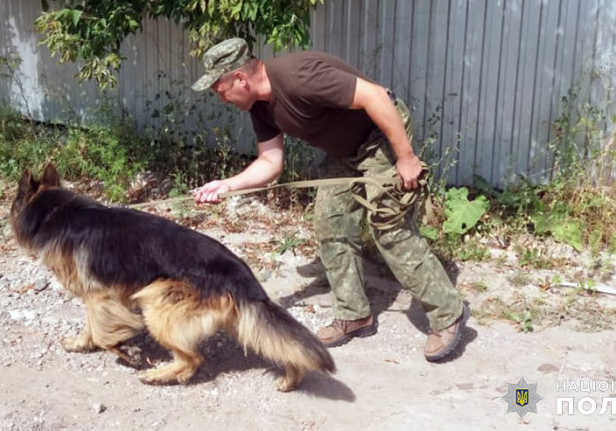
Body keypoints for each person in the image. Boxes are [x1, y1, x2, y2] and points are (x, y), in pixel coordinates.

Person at [191, 37, 469, 362]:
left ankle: (449, 312)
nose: (222, 100)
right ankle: (354, 314)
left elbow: (376, 96)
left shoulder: (298, 77)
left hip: (379, 135)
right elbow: (271, 163)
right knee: (330, 223)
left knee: (389, 228)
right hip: (345, 150)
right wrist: (227, 185)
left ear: (240, 78)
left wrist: (405, 156)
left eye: (220, 91)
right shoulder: (261, 109)